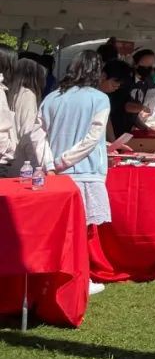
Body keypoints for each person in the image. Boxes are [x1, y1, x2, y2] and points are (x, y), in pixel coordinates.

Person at [39, 50, 113, 295]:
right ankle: (78, 278)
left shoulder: (52, 98)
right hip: (83, 172)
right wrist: (60, 162)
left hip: (56, 175)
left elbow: (38, 134)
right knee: (80, 232)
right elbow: (92, 138)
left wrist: (50, 163)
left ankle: (58, 277)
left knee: (60, 231)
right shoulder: (99, 99)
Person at [0, 47, 51, 177]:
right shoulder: (27, 95)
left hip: (11, 161)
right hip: (19, 162)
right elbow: (29, 132)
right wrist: (38, 165)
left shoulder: (11, 92)